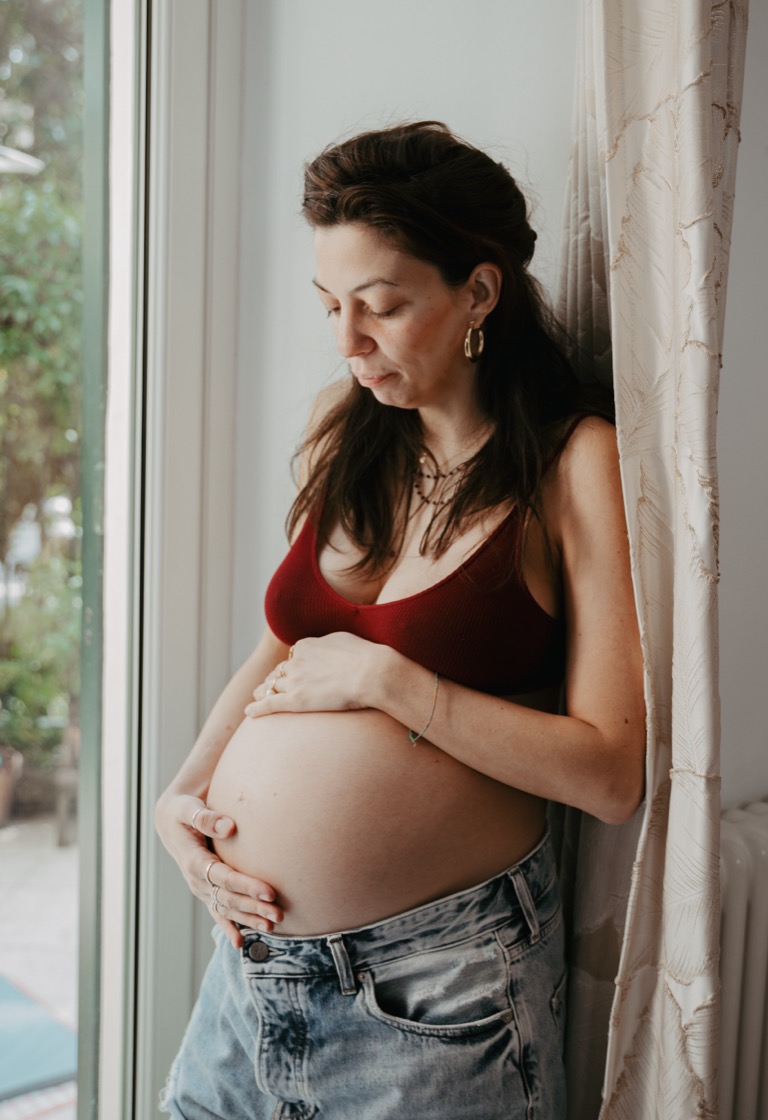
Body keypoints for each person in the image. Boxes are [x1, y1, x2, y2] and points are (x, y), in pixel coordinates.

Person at [156, 120, 645, 1120]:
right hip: (250, 977)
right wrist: (183, 792)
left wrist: (393, 684)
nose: (348, 341)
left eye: (380, 306)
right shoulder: (344, 432)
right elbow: (286, 648)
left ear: (479, 292)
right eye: (330, 305)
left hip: (436, 996)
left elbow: (609, 773)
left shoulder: (570, 464)